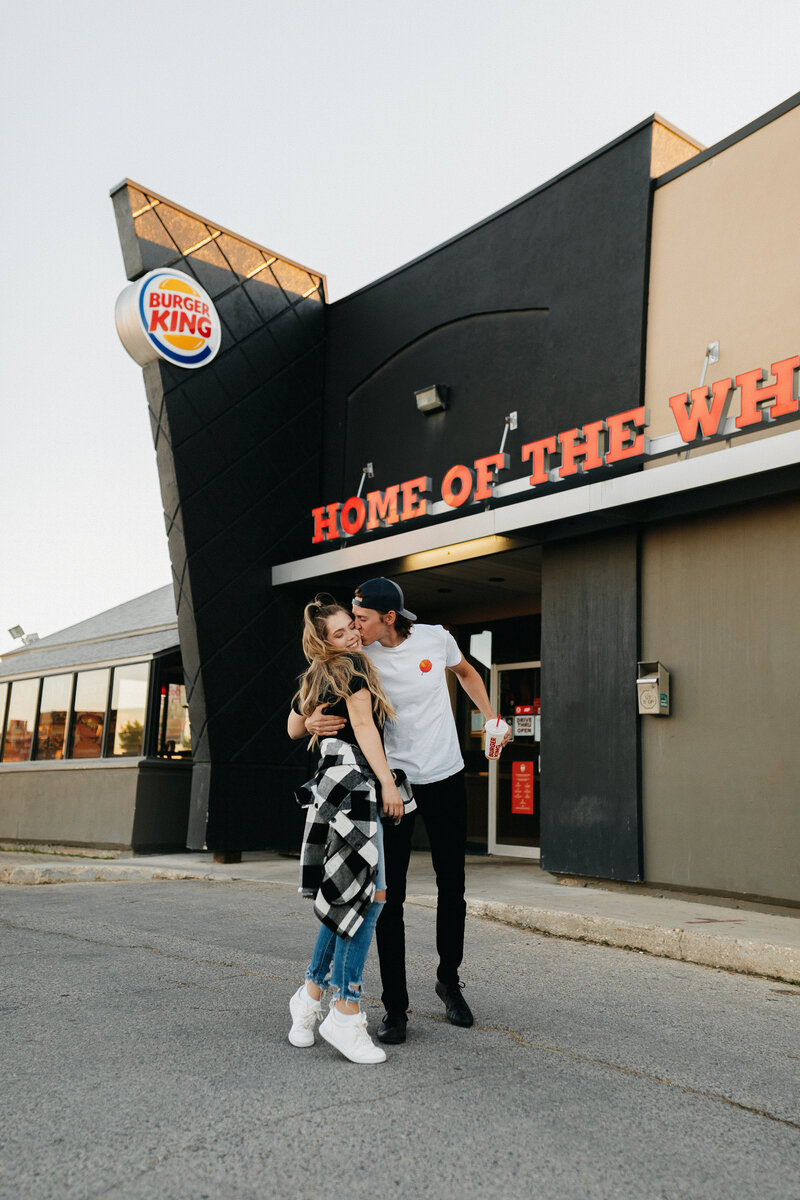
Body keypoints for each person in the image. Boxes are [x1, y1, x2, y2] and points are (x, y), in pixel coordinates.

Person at [298, 577, 507, 1046]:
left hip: (447, 775)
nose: (354, 626)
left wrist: (490, 716)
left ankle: (449, 983)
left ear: (388, 617)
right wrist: (308, 720)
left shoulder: (436, 638)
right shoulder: (355, 656)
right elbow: (299, 708)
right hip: (393, 786)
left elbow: (468, 674)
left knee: (452, 886)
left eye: (362, 619)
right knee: (389, 899)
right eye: (350, 620)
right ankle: (396, 1007)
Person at [286, 595, 414, 1065]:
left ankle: (310, 996)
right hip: (354, 785)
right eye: (339, 633)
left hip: (333, 784)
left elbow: (294, 727)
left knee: (348, 894)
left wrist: (308, 721)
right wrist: (387, 785)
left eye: (351, 627)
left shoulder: (324, 671)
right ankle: (345, 1009)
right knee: (371, 897)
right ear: (324, 641)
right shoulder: (350, 669)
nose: (352, 635)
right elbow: (362, 725)